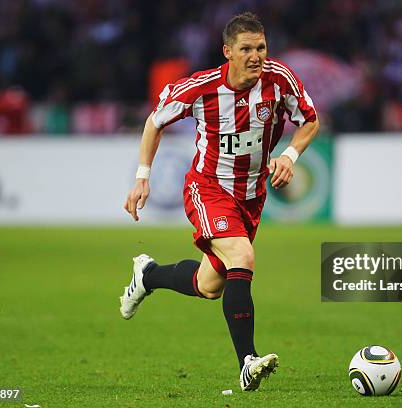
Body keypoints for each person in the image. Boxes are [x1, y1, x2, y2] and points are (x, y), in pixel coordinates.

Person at [120, 12, 319, 391]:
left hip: (251, 196)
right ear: (227, 51)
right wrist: (142, 178)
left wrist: (289, 156)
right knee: (242, 257)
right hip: (209, 187)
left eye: (261, 47)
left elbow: (310, 120)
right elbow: (154, 122)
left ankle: (147, 276)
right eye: (246, 49)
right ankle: (248, 361)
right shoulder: (202, 88)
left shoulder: (280, 80)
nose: (256, 55)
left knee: (210, 285)